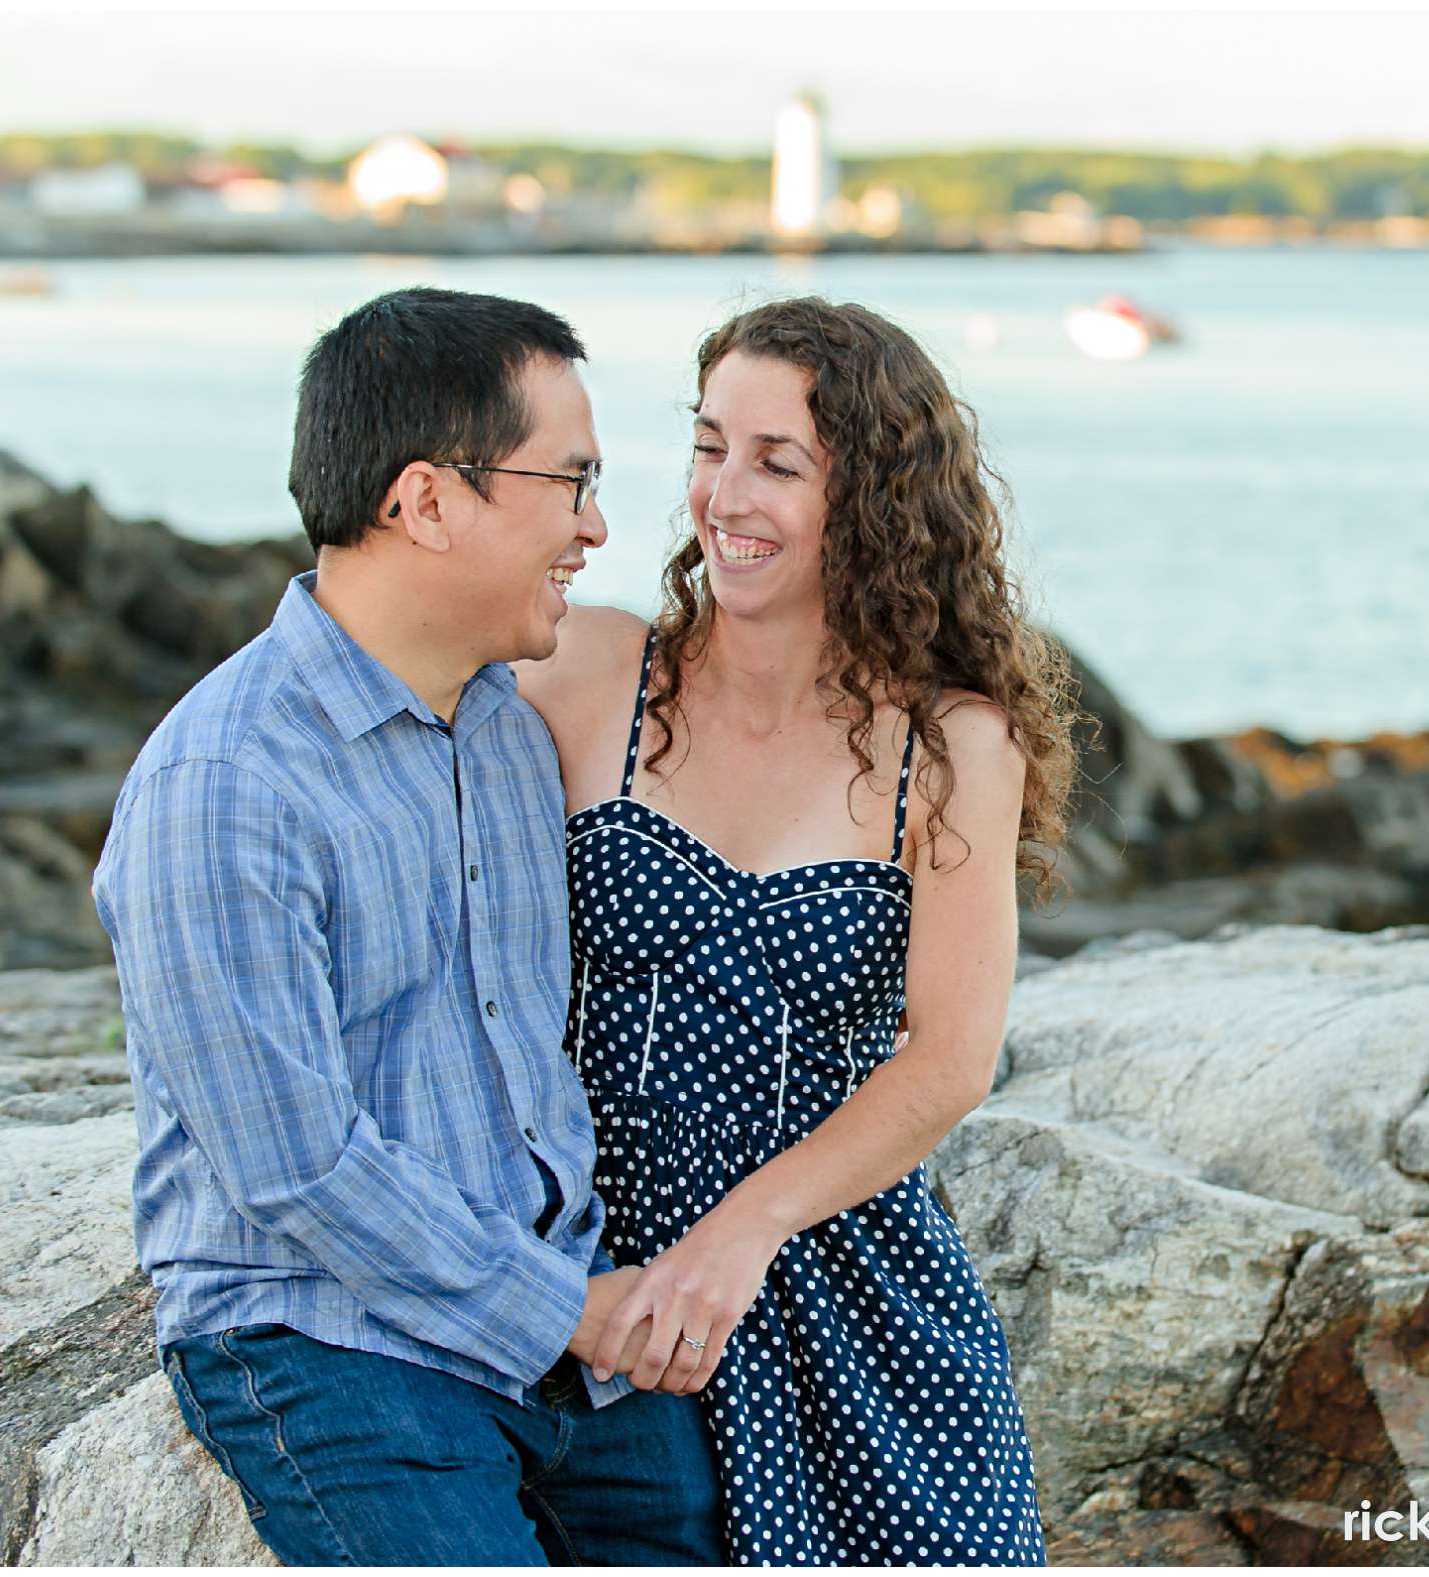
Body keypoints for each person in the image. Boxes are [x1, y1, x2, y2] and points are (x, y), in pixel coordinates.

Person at [92, 286, 724, 1566]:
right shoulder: (226, 784)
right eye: (571, 480)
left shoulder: (502, 726)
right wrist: (570, 1312)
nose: (597, 527)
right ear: (427, 501)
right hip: (329, 1339)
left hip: (558, 1338)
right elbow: (294, 1162)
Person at [513, 296, 1077, 1563]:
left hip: (839, 1279)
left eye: (779, 462)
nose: (725, 495)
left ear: (872, 497)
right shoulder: (588, 672)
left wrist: (741, 1232)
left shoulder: (947, 746)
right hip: (608, 1282)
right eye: (710, 446)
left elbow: (947, 1058)